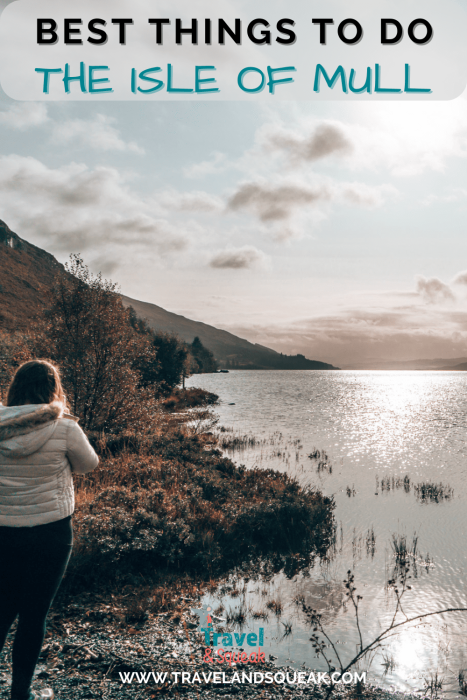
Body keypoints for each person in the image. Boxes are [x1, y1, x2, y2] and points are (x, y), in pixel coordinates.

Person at [0, 360, 99, 700]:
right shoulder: (65, 427)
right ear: (53, 388)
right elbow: (89, 464)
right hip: (50, 535)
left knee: (1, 610)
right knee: (33, 616)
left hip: (2, 533)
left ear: (14, 388)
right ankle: (20, 694)